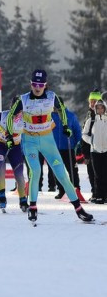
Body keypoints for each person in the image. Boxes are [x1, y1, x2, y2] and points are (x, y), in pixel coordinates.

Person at [7, 69, 93, 223]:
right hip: (30, 140)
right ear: (31, 84)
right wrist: (8, 135)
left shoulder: (52, 97)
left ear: (45, 85)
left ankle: (79, 209)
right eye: (34, 84)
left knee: (62, 175)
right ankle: (32, 207)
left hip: (47, 140)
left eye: (40, 84)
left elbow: (62, 110)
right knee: (36, 171)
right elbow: (10, 117)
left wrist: (66, 126)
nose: (37, 87)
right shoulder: (23, 99)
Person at [0, 98, 28, 212]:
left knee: (19, 174)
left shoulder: (25, 119)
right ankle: (2, 198)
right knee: (0, 169)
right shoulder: (3, 115)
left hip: (15, 147)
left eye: (19, 110)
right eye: (15, 109)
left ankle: (23, 200)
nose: (17, 112)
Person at [49, 106, 83, 199]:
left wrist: (78, 144)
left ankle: (76, 188)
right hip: (55, 148)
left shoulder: (70, 116)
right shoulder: (50, 116)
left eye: (56, 107)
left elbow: (77, 131)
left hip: (68, 148)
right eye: (53, 107)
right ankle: (61, 190)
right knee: (58, 170)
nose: (54, 109)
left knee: (72, 169)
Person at [83, 100, 107, 204]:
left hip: (106, 150)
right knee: (97, 175)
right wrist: (91, 142)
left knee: (105, 173)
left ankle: (105, 195)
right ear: (95, 109)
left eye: (102, 108)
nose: (100, 110)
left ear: (105, 108)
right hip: (95, 151)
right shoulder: (91, 121)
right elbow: (84, 134)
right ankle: (98, 196)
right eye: (98, 108)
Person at [79, 89, 101, 202]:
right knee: (91, 174)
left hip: (100, 149)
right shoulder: (88, 114)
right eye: (91, 101)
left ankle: (100, 194)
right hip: (89, 149)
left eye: (95, 101)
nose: (92, 103)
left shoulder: (101, 115)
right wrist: (85, 153)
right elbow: (84, 134)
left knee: (99, 173)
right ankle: (95, 193)